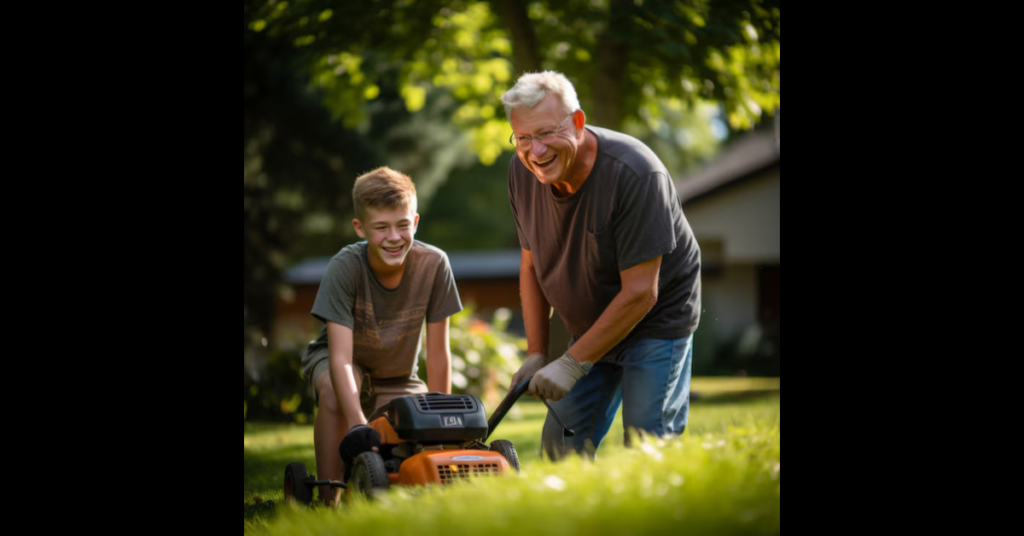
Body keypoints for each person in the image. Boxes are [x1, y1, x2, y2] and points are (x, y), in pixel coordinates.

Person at [501, 71, 702, 460]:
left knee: (649, 443)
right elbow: (531, 266)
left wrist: (572, 364)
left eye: (545, 133)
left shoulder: (636, 173)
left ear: (577, 123)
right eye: (523, 138)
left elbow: (642, 292)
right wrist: (536, 352)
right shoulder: (521, 174)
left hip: (656, 320)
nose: (536, 151)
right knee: (561, 445)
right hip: (592, 321)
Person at [301, 167, 463, 504]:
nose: (394, 236)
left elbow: (438, 353)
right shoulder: (345, 267)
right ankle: (330, 496)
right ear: (360, 228)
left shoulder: (435, 265)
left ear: (415, 222)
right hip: (344, 366)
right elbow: (341, 359)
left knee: (416, 428)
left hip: (399, 375)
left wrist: (439, 425)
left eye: (403, 225)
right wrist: (359, 423)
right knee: (334, 389)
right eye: (381, 227)